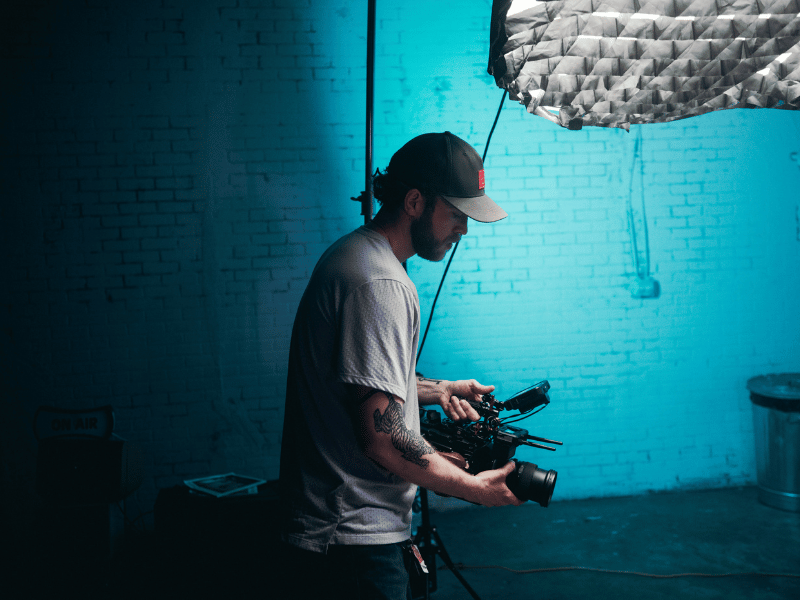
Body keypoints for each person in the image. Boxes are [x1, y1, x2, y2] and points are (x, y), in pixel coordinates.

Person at [277, 132, 520, 600]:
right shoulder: (381, 284)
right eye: (456, 215)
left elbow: (354, 378)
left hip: (335, 535)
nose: (464, 231)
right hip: (352, 543)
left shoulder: (356, 254)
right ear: (414, 201)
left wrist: (437, 389)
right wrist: (475, 488)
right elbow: (383, 438)